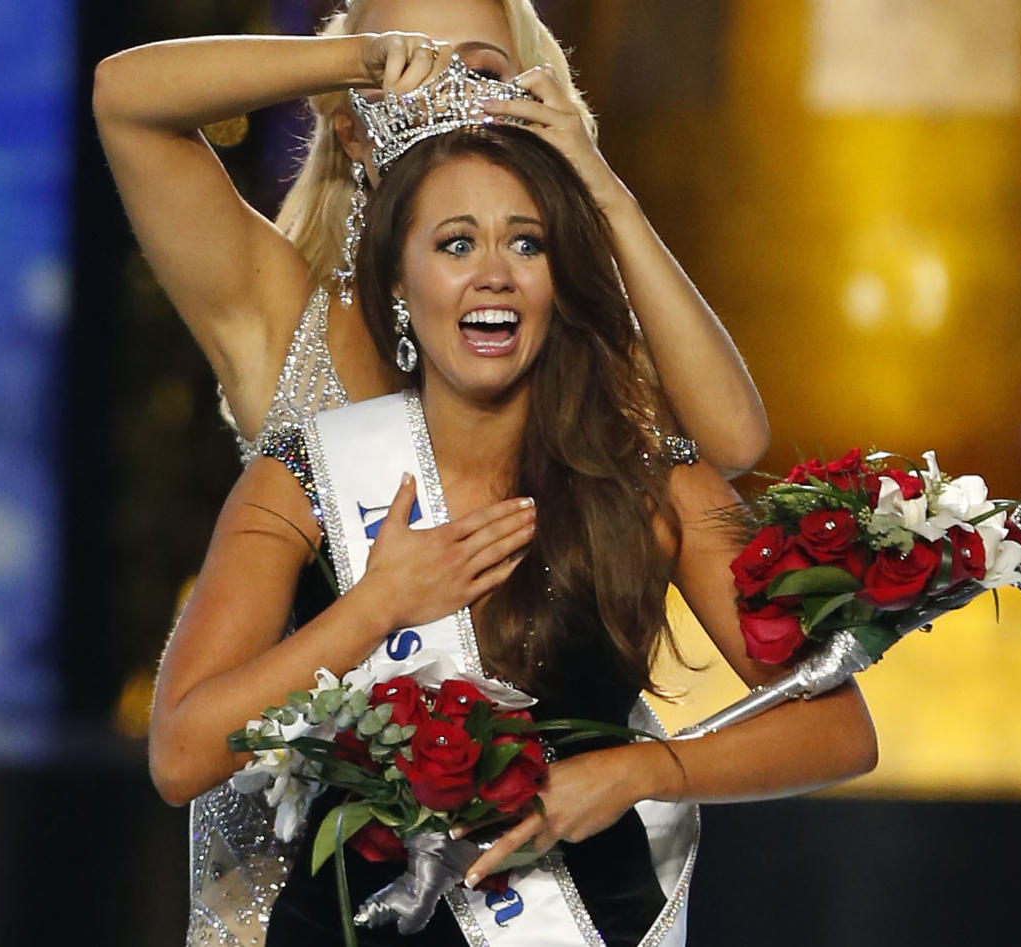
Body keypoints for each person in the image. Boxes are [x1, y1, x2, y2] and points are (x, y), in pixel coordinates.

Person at [148, 123, 878, 947]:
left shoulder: (647, 484)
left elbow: (840, 727)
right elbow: (181, 753)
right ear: (397, 278)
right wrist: (378, 604)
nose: (493, 273)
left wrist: (645, 769)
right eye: (456, 243)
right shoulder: (302, 478)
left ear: (559, 280)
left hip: (588, 917)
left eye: (526, 244)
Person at [90, 0, 769, 473]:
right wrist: (359, 57)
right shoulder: (283, 319)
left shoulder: (558, 328)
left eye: (478, 74)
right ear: (354, 135)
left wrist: (603, 192)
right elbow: (125, 99)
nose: (447, 106)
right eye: (406, 77)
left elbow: (734, 443)